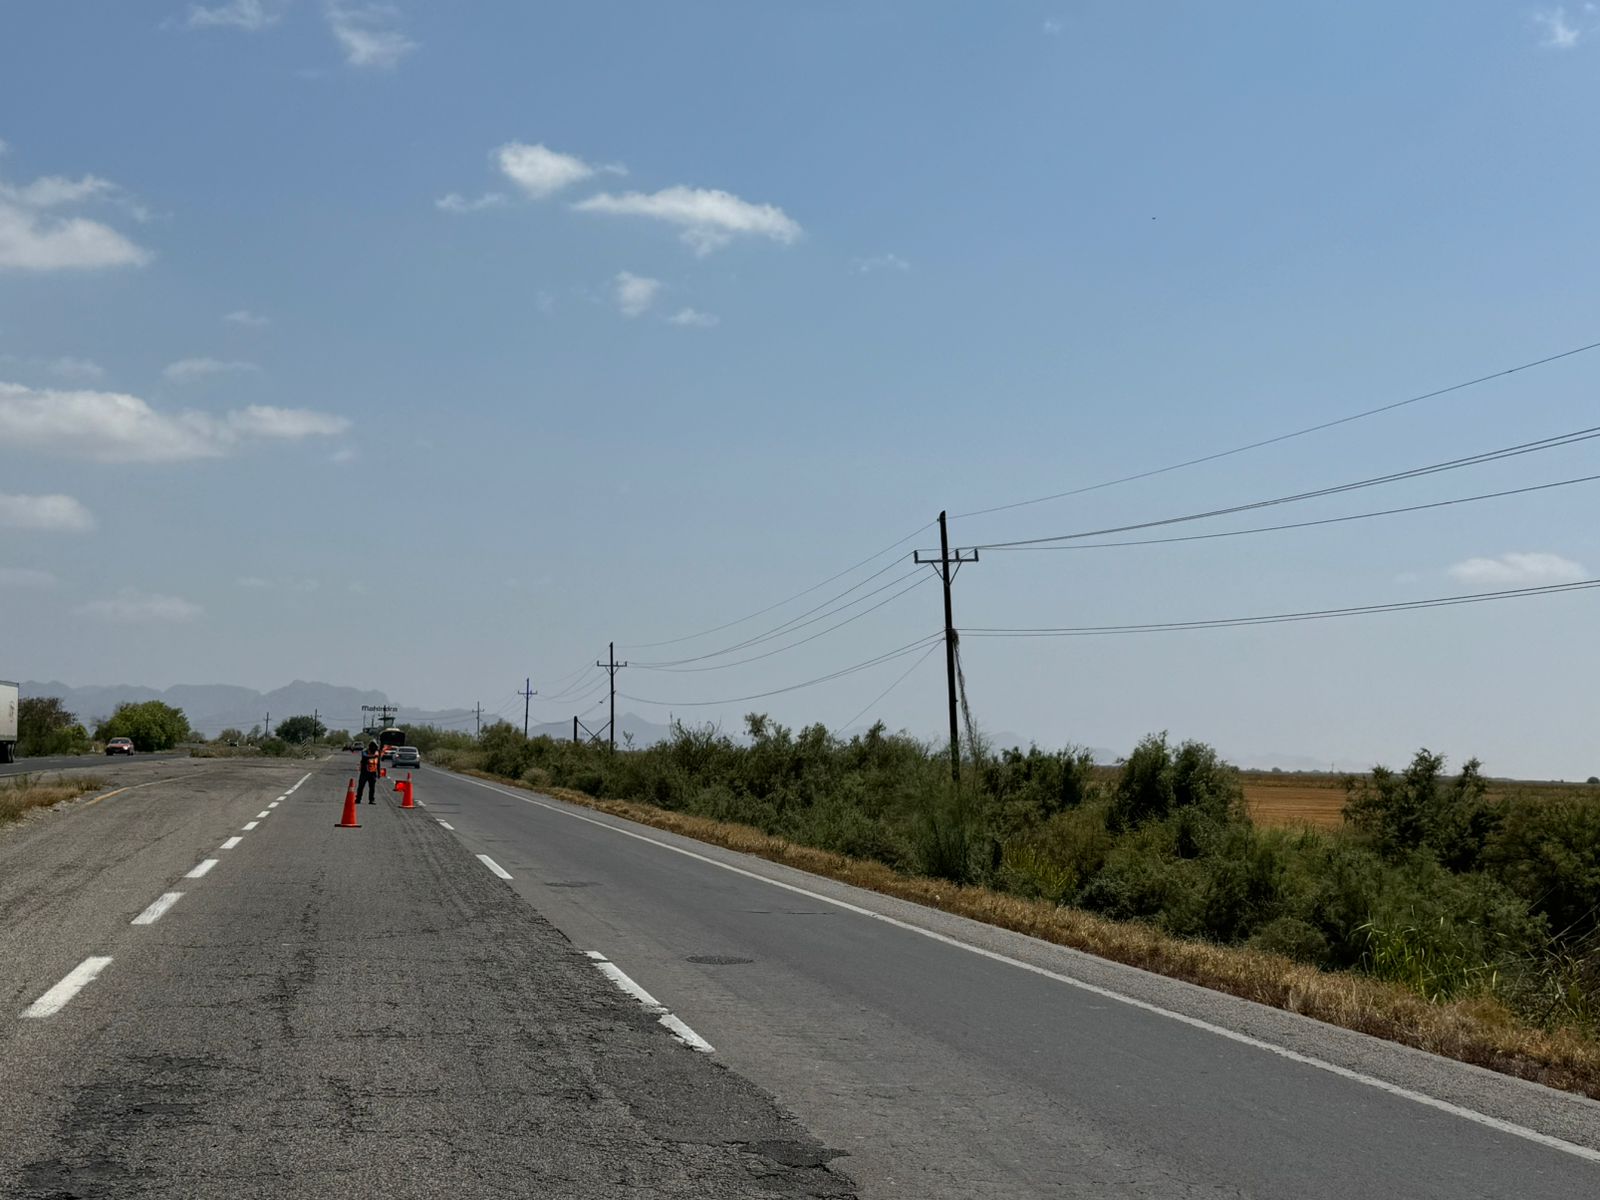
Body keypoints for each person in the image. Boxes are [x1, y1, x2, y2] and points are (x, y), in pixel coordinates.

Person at [357, 739, 381, 804]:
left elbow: (378, 763)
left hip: (373, 773)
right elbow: (365, 756)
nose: (373, 748)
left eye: (375, 746)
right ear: (370, 746)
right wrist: (373, 756)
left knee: (372, 787)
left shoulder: (377, 752)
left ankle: (371, 800)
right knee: (361, 786)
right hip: (364, 772)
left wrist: (379, 772)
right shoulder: (365, 751)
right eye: (372, 746)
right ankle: (358, 799)